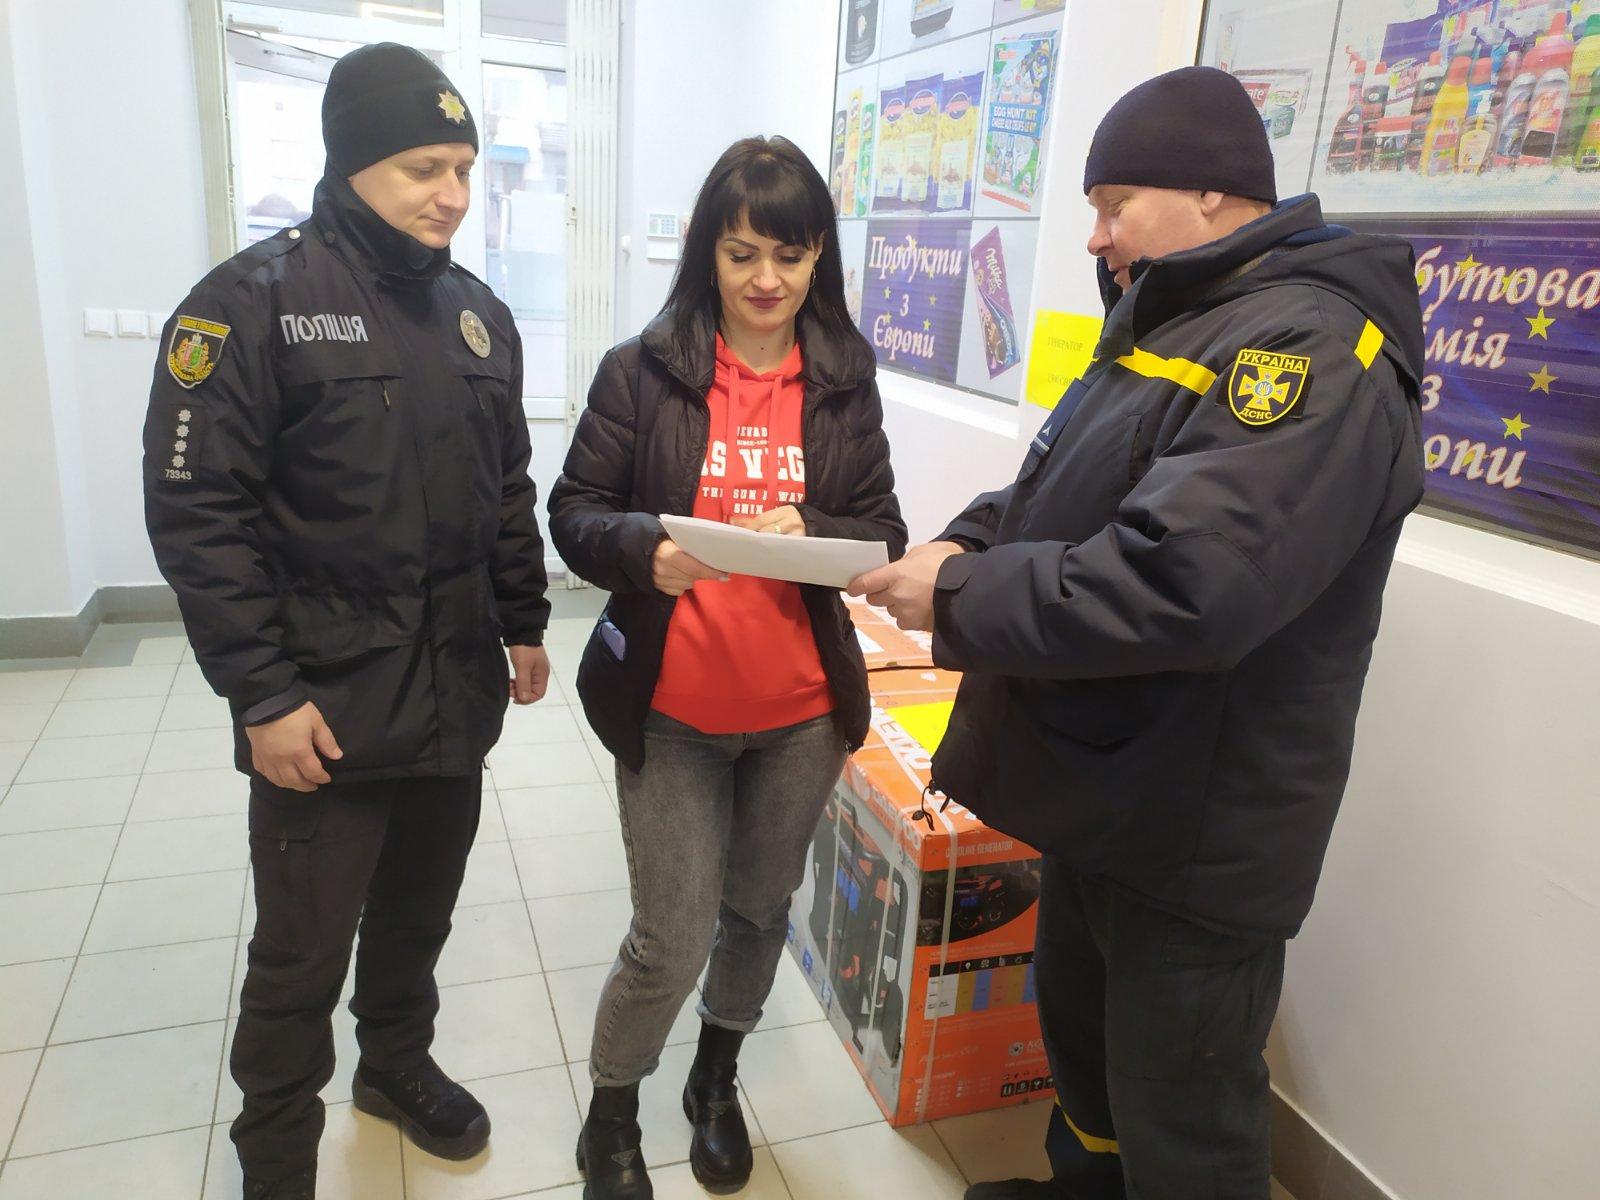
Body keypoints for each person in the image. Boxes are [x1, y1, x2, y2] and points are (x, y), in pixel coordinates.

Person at [852, 66, 1425, 1199]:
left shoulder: (1309, 351)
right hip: (1108, 792)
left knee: (1182, 1122)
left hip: (1195, 833)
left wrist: (959, 598)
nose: (1096, 235)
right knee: (1089, 1064)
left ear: (1211, 192)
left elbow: (1186, 582)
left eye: (1115, 204)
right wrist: (966, 541)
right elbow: (1064, 489)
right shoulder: (1179, 319)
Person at [142, 43, 552, 1200]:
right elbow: (196, 515)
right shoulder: (248, 305)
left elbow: (506, 488)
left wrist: (523, 618)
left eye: (464, 168)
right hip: (321, 708)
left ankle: (394, 1067)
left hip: (452, 689)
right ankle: (275, 1156)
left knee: (417, 917)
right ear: (353, 162)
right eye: (426, 167)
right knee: (300, 956)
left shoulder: (478, 318)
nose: (453, 195)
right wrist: (263, 694)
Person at [548, 135, 907, 1200]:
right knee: (670, 935)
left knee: (757, 912)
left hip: (799, 713)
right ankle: (613, 1112)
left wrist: (819, 526)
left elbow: (884, 530)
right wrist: (643, 553)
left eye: (788, 257)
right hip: (672, 710)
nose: (765, 280)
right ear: (708, 250)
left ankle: (715, 1079)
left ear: (818, 256)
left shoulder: (842, 378)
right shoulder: (645, 369)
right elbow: (572, 513)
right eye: (742, 253)